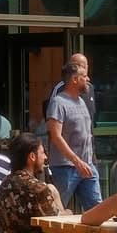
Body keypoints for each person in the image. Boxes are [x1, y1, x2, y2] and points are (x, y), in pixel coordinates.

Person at [46, 58, 101, 210]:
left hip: (87, 164)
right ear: (75, 79)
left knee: (97, 207)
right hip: (65, 167)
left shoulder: (81, 101)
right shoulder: (58, 102)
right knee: (56, 208)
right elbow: (56, 136)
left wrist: (88, 161)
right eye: (84, 76)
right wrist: (76, 161)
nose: (87, 79)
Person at [43, 52, 96, 122]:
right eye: (76, 65)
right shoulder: (60, 89)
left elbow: (91, 115)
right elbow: (51, 117)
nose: (80, 69)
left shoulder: (90, 88)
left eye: (83, 66)